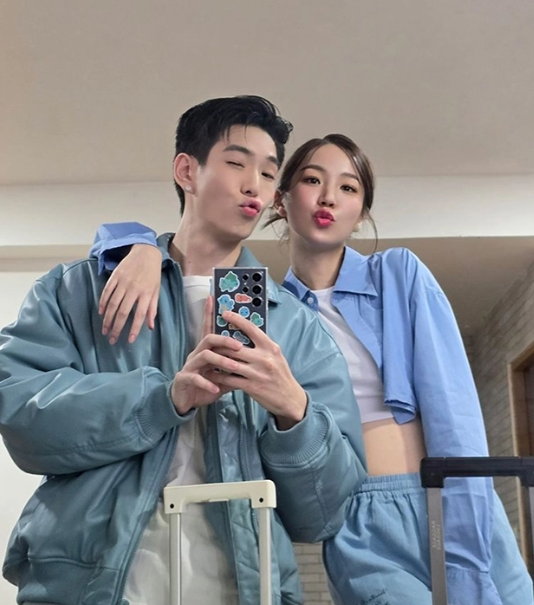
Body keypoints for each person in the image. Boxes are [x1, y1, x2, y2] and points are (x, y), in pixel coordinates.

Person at [93, 133, 534, 605]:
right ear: (279, 200)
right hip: (354, 524)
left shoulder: (397, 274)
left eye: (348, 188)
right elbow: (148, 242)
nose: (328, 197)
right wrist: (143, 248)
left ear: (361, 213)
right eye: (311, 180)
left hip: (445, 496)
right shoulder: (270, 307)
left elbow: (454, 408)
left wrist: (465, 540)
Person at [0, 97, 367, 605]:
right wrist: (164, 399)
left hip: (246, 590)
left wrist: (294, 411)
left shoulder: (297, 328)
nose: (254, 186)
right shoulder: (80, 290)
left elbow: (324, 515)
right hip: (91, 588)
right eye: (236, 163)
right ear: (187, 171)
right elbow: (21, 415)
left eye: (268, 174)